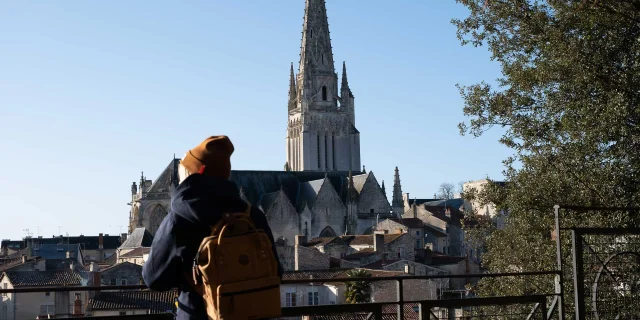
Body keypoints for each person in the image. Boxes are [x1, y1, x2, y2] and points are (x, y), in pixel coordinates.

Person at [142, 135, 283, 319]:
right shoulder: (253, 215)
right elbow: (276, 272)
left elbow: (154, 279)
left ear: (196, 173)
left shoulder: (179, 218)